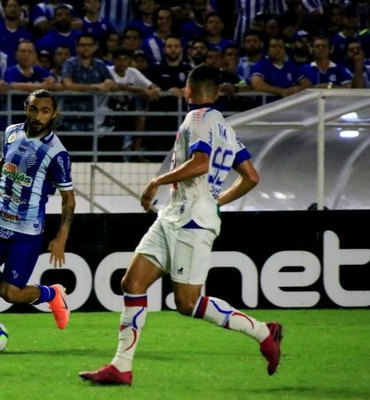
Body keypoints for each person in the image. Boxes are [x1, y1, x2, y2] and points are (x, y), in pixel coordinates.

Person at [79, 65, 283, 386]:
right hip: (175, 215)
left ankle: (262, 331)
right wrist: (216, 201)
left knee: (187, 304)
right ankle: (121, 366)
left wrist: (157, 181)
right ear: (216, 94)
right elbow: (251, 177)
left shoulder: (196, 119)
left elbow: (200, 163)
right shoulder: (226, 128)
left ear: (188, 91)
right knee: (132, 284)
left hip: (192, 221)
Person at [0, 89, 76, 353]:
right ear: (26, 108)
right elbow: (3, 163)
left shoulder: (57, 154)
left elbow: (69, 200)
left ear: (53, 115)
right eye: (34, 109)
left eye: (45, 111)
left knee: (9, 293)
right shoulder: (12, 132)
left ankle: (52, 294)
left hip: (26, 231)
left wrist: (61, 238)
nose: (38, 116)